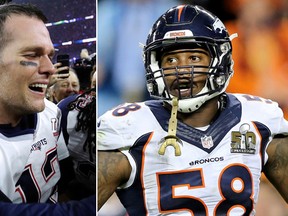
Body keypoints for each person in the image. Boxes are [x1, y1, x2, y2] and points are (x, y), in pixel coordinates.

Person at [97, 4, 288, 215]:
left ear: (219, 61)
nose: (182, 70)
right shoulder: (128, 130)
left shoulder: (259, 120)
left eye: (194, 58)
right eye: (170, 60)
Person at [0, 2, 75, 204]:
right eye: (32, 55)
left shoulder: (51, 112)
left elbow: (65, 180)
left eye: (49, 55)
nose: (51, 68)